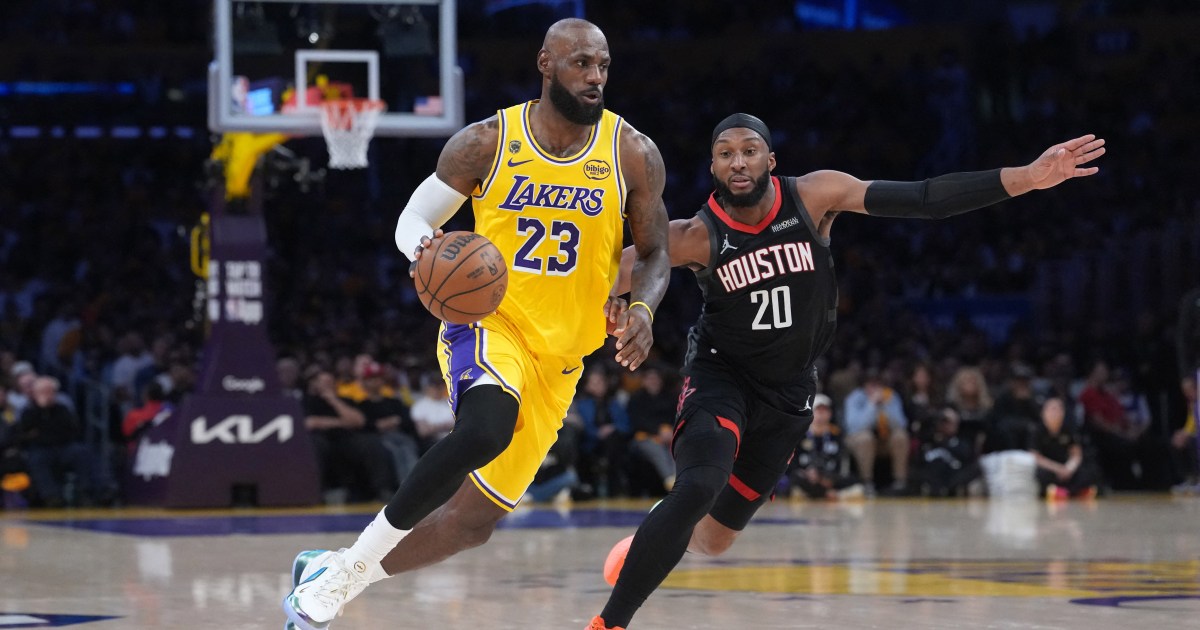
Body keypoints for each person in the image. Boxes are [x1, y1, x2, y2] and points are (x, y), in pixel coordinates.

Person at [589, 113, 1104, 629]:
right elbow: (609, 271)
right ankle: (609, 623)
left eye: (749, 151)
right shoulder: (699, 234)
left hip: (789, 391)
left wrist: (1027, 177)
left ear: (771, 160)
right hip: (721, 376)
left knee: (714, 539)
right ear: (713, 168)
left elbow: (924, 198)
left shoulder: (814, 197)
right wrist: (615, 300)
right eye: (725, 154)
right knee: (700, 484)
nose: (738, 162)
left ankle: (659, 527)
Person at [283, 18, 670, 630]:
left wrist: (643, 307)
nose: (595, 76)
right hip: (491, 324)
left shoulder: (631, 152)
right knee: (487, 427)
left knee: (470, 525)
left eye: (602, 65)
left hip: (562, 360)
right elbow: (413, 219)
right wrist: (426, 252)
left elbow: (654, 252)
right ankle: (342, 579)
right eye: (580, 63)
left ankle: (330, 569)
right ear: (545, 64)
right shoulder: (488, 142)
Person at [843, 369, 910, 494]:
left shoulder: (891, 396)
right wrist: (872, 405)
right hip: (858, 440)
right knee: (865, 438)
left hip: (884, 439)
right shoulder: (854, 398)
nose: (875, 388)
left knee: (900, 436)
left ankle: (900, 482)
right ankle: (866, 482)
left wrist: (885, 406)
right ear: (864, 385)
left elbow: (901, 424)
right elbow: (855, 427)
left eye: (878, 384)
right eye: (871, 384)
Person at [1029, 397, 1099, 499]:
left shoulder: (1069, 429)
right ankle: (1068, 492)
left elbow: (1076, 454)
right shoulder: (1037, 430)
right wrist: (1057, 468)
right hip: (1050, 468)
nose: (1055, 413)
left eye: (1058, 409)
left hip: (1066, 466)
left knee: (1089, 471)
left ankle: (1069, 491)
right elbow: (1036, 457)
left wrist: (1069, 468)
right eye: (1052, 409)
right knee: (1041, 475)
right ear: (1043, 413)